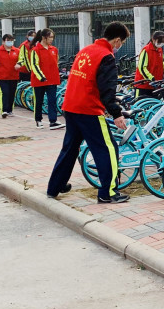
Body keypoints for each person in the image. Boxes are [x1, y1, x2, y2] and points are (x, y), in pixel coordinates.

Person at [46, 22, 132, 203]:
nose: (120, 46)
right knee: (107, 149)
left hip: (71, 106)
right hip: (89, 109)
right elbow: (107, 91)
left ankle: (54, 187)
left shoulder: (86, 50)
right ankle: (108, 193)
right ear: (116, 40)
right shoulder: (106, 56)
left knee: (69, 148)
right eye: (121, 43)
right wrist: (116, 113)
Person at [27, 28, 64, 130]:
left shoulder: (54, 50)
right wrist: (41, 77)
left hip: (52, 80)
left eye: (52, 37)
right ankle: (38, 120)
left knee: (52, 100)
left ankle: (53, 121)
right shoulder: (35, 50)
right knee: (39, 101)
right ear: (44, 37)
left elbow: (55, 63)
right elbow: (34, 65)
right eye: (50, 37)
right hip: (39, 81)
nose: (52, 39)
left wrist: (57, 74)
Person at [134, 30, 164, 98]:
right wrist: (151, 78)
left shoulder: (160, 50)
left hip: (155, 85)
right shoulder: (146, 50)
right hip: (143, 85)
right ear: (153, 40)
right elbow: (142, 67)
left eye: (163, 42)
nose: (161, 43)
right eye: (159, 41)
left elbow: (161, 63)